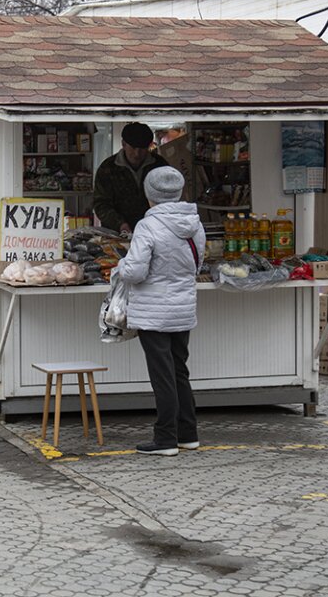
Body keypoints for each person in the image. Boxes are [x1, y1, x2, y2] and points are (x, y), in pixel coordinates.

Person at [116, 166, 206, 457]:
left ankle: (166, 438)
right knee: (179, 370)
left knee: (162, 375)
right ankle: (188, 433)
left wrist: (120, 266)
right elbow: (198, 264)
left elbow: (136, 271)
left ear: (149, 195)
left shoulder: (148, 226)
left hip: (154, 312)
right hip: (182, 308)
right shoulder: (194, 223)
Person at [94, 123, 171, 235]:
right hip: (117, 234)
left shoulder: (160, 166)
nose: (137, 154)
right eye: (133, 148)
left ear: (149, 146)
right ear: (123, 144)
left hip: (155, 231)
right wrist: (120, 224)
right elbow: (101, 204)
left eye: (142, 149)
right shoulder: (108, 168)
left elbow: (169, 198)